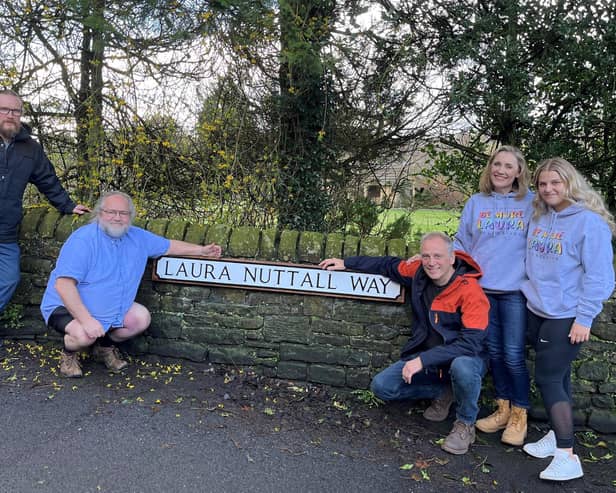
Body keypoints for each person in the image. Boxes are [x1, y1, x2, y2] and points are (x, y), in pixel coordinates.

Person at [319, 232, 490, 455]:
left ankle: (465, 423)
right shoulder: (418, 272)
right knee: (381, 387)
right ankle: (443, 392)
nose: (431, 262)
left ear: (452, 258)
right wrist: (347, 263)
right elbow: (387, 265)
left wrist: (422, 360)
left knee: (463, 367)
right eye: (426, 256)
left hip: (463, 359)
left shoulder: (470, 291)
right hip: (429, 362)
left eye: (437, 256)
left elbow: (471, 344)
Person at [40, 191, 222, 378]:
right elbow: (63, 285)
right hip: (66, 306)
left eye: (123, 213)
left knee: (140, 319)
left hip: (110, 308)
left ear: (130, 217)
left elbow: (168, 246)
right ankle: (69, 354)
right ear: (99, 213)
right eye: (111, 212)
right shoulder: (83, 240)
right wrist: (87, 320)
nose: (117, 218)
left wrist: (202, 250)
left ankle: (103, 348)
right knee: (83, 335)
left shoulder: (138, 238)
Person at [521, 158, 615, 481]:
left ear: (569, 184)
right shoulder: (539, 216)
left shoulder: (589, 223)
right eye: (543, 184)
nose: (548, 189)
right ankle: (554, 435)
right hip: (538, 311)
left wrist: (584, 317)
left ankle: (567, 456)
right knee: (559, 378)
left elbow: (601, 276)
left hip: (567, 315)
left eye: (555, 183)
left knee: (547, 378)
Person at [453, 145, 533, 446]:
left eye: (508, 166)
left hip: (514, 291)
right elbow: (462, 241)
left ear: (518, 172)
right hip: (481, 290)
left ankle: (519, 414)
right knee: (495, 354)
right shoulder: (476, 202)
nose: (501, 170)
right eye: (496, 164)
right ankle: (502, 409)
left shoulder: (531, 203)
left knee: (513, 355)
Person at [0, 89, 89, 326]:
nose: (10, 115)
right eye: (4, 109)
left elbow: (47, 179)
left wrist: (68, 205)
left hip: (5, 233)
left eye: (15, 110)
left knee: (8, 280)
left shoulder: (30, 148)